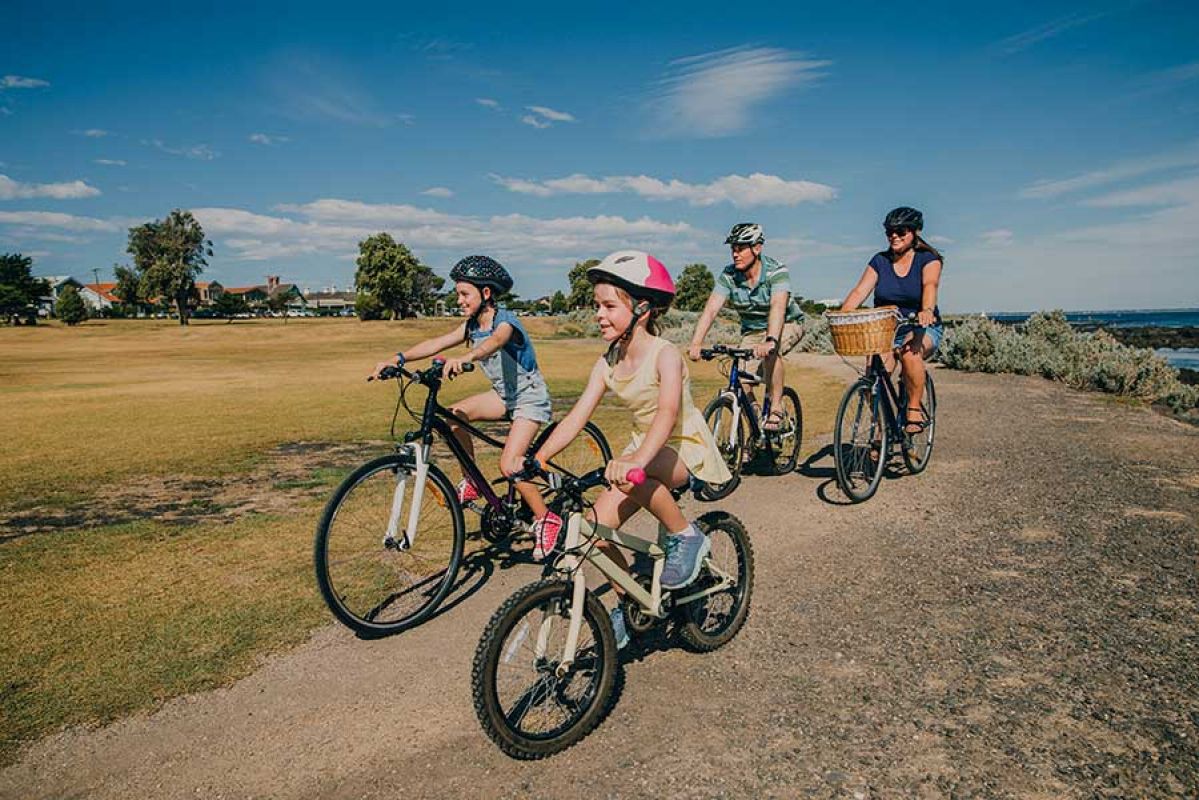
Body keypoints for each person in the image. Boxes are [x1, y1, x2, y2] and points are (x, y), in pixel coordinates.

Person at [533, 250, 733, 648]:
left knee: (632, 476)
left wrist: (637, 459)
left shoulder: (665, 354)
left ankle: (687, 535)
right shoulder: (607, 361)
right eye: (597, 306)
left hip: (682, 447)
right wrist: (537, 457)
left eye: (609, 306)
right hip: (642, 451)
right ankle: (630, 605)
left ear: (642, 308)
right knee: (594, 534)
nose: (599, 315)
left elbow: (667, 412)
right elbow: (576, 416)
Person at [371, 255, 561, 557]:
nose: (459, 299)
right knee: (455, 415)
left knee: (510, 464)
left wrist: (467, 358)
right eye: (457, 293)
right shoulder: (471, 325)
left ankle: (546, 518)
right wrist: (398, 359)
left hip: (529, 399)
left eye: (464, 293)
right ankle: (471, 481)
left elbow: (495, 342)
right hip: (503, 395)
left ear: (486, 293)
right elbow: (437, 343)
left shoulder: (505, 322)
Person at [688, 223, 804, 430]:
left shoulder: (776, 271)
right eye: (733, 248)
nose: (735, 254)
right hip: (752, 331)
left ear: (756, 248)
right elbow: (711, 309)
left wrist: (770, 340)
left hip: (787, 323)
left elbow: (777, 307)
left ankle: (776, 407)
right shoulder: (729, 275)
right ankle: (756, 416)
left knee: (771, 353)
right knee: (739, 376)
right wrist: (696, 343)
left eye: (740, 248)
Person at [839, 206, 944, 433]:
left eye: (901, 231)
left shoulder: (929, 259)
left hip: (921, 325)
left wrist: (926, 310)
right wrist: (843, 313)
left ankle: (913, 410)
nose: (894, 235)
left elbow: (930, 285)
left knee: (908, 352)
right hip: (885, 328)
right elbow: (859, 292)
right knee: (873, 377)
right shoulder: (880, 261)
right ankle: (882, 431)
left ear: (914, 232)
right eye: (889, 231)